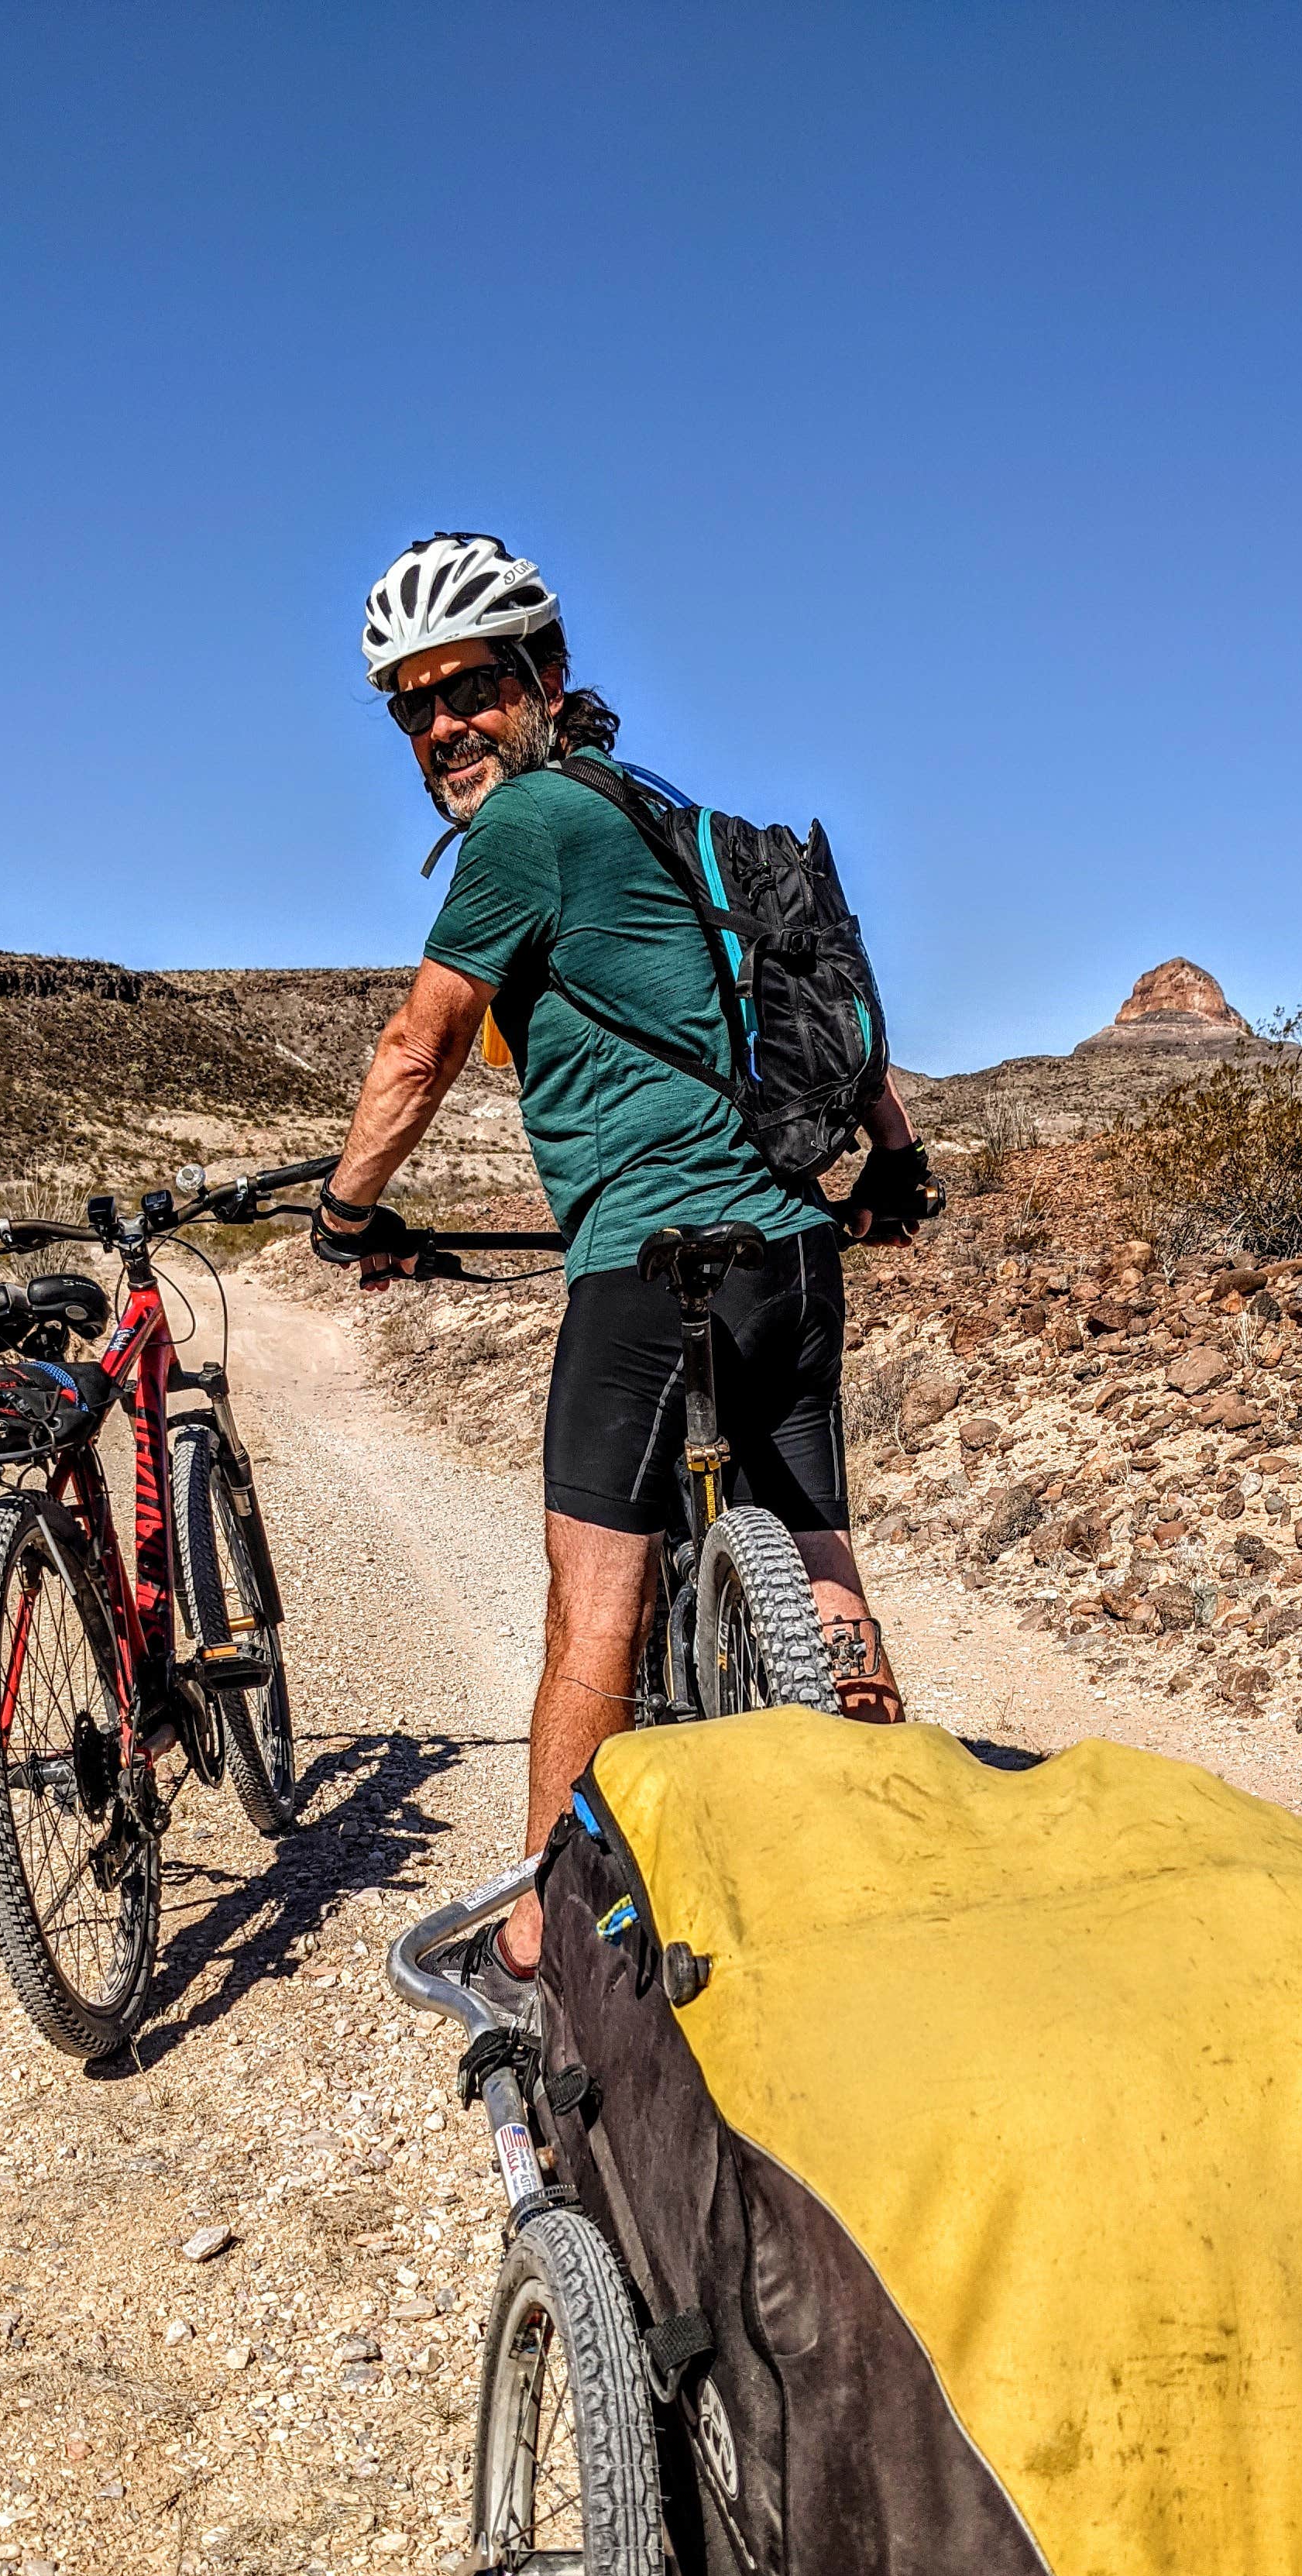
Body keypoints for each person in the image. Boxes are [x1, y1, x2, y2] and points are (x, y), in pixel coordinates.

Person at [313, 531, 937, 2010]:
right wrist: (891, 1159)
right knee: (818, 1548)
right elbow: (801, 997)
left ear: (546, 677)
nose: (444, 726)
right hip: (788, 1245)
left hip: (652, 1264)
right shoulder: (665, 819)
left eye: (469, 687)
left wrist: (348, 1212)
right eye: (413, 705)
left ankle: (543, 1947)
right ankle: (910, 1850)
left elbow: (422, 1041)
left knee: (590, 1599)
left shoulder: (528, 827)